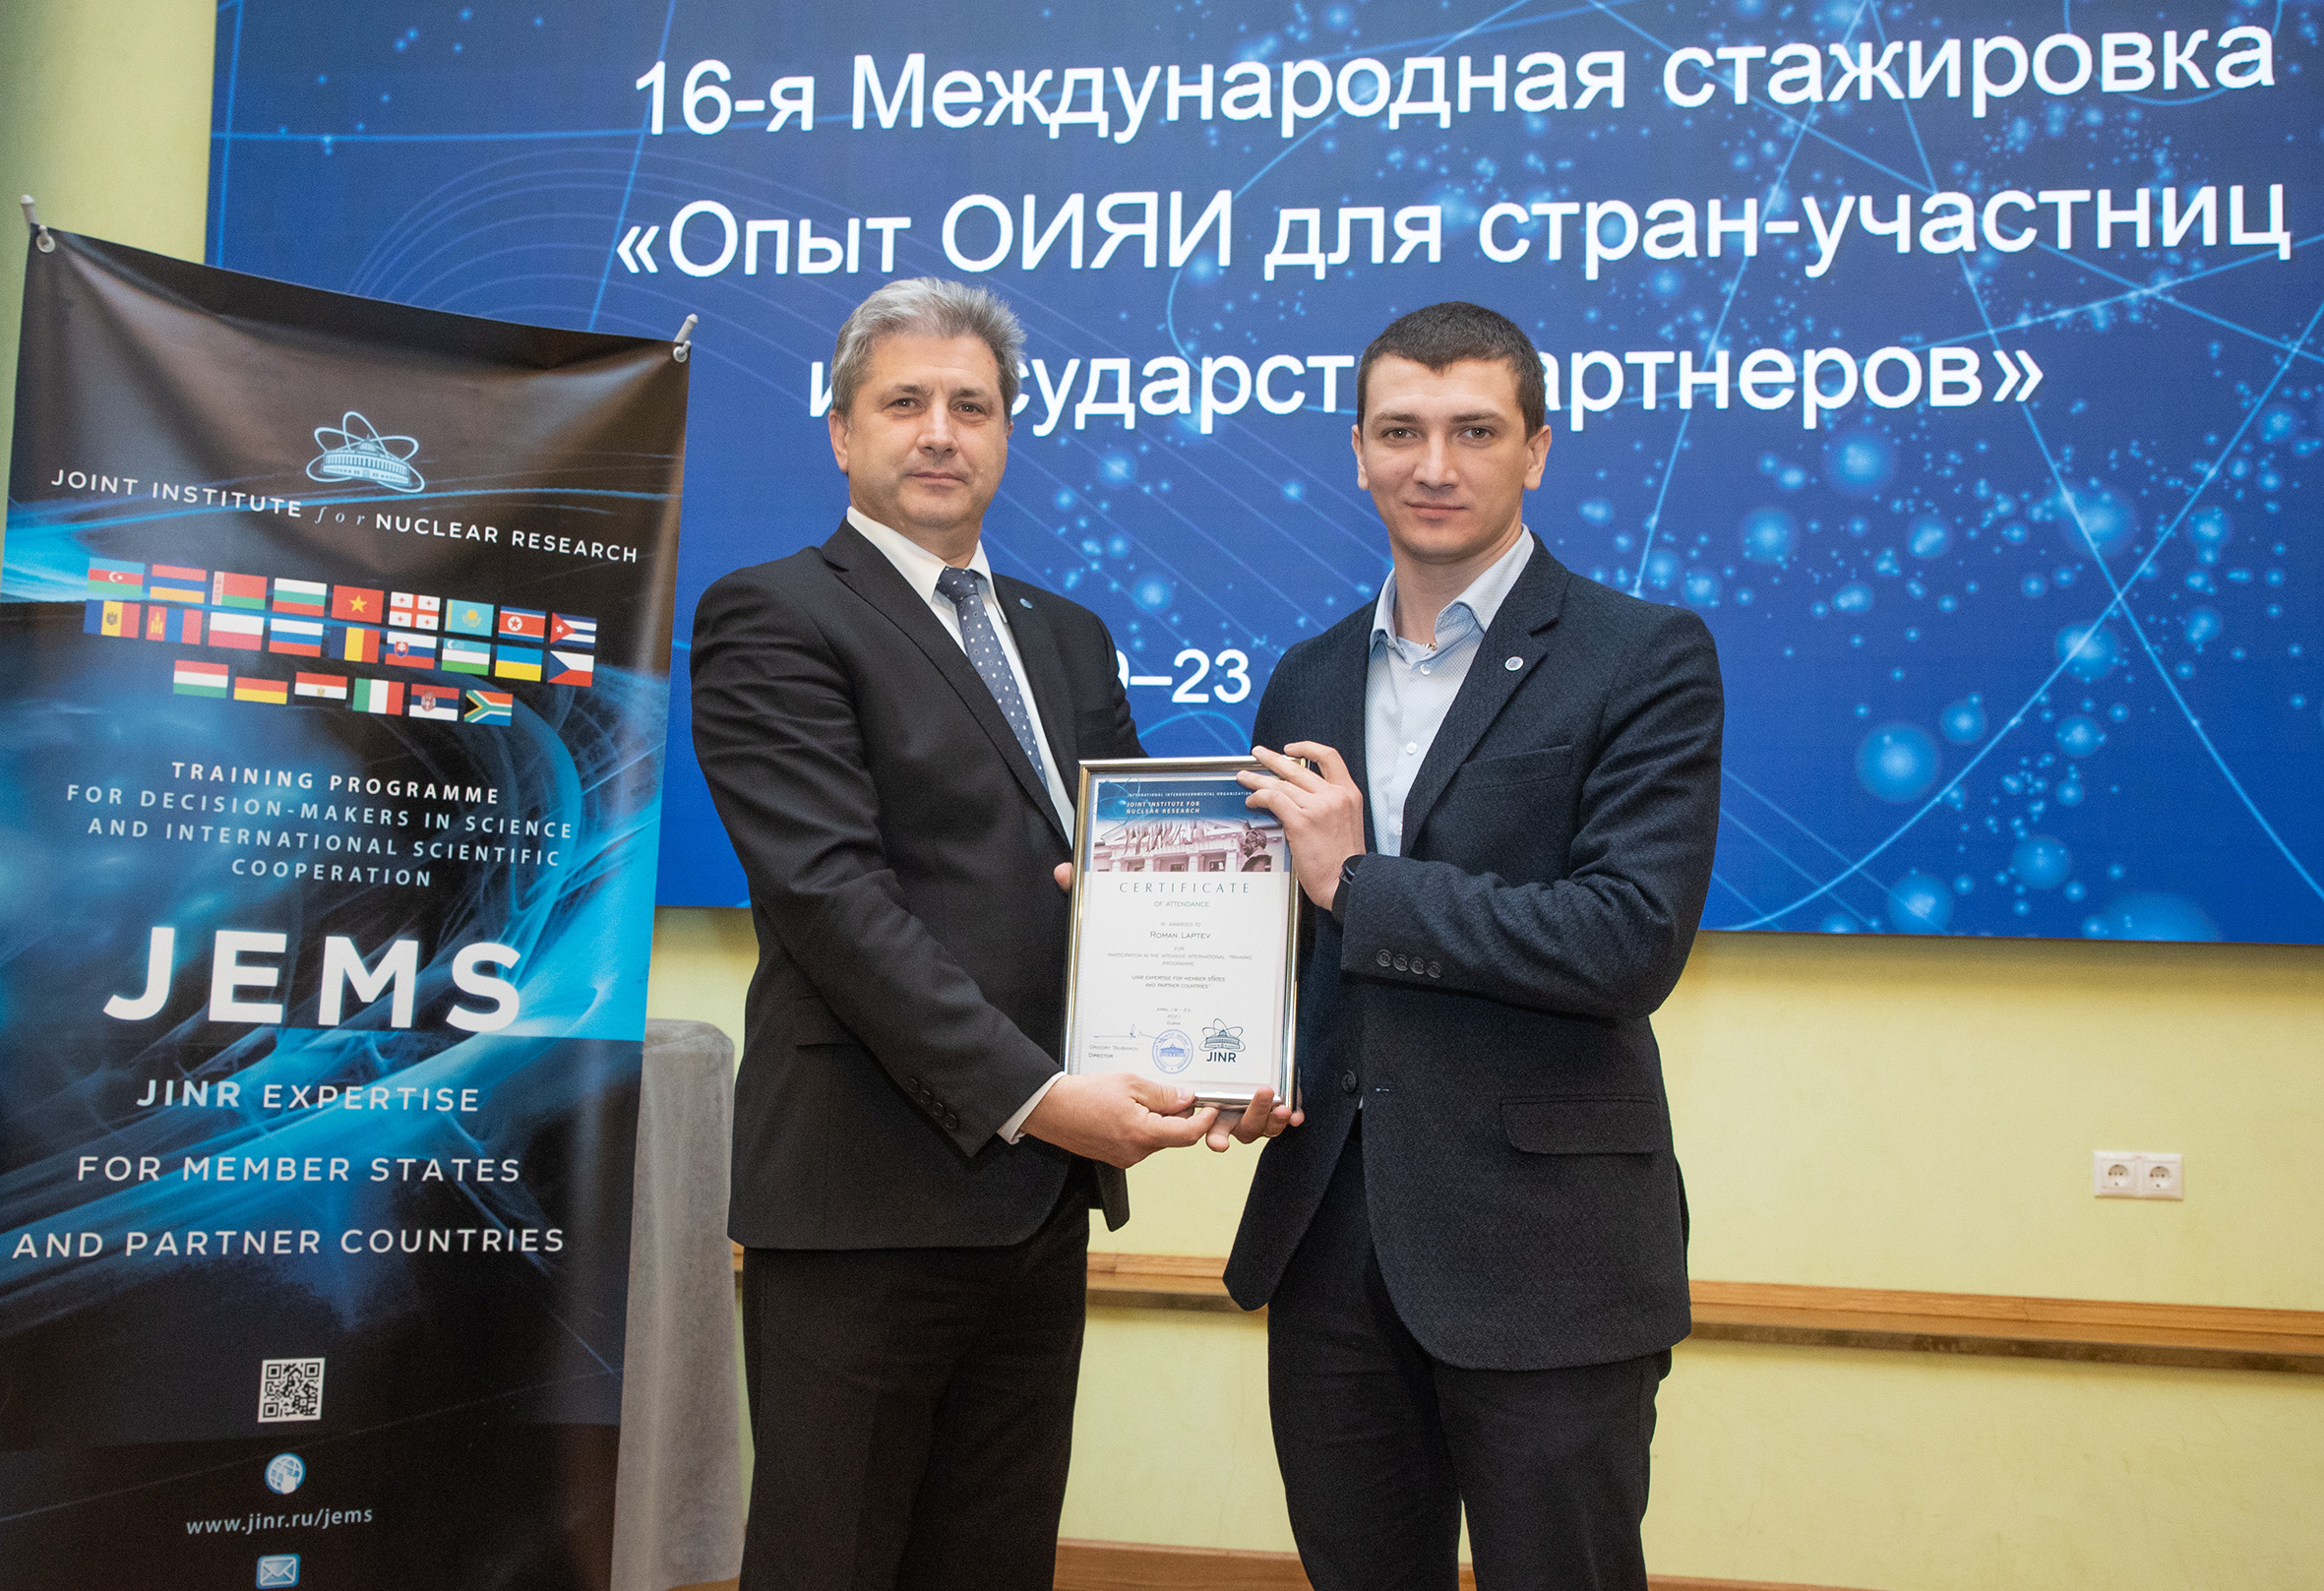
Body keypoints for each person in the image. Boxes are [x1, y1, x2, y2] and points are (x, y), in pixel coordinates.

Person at [691, 277, 1225, 1591]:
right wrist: (1038, 1097)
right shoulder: (773, 613)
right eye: (905, 403)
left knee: (993, 1561)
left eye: (972, 406)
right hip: (865, 1194)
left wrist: (1215, 1049)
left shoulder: (1067, 634)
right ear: (841, 431)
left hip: (1036, 1205)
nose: (940, 432)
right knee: (829, 1563)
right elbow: (832, 900)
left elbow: (1137, 880)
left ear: (1007, 432)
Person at [1227, 301, 1725, 1591]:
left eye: (1475, 430)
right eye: (1400, 430)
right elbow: (1297, 941)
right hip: (1332, 1239)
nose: (1433, 465)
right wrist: (1205, 1021)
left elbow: (1626, 939)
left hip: (1546, 1253)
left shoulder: (1642, 655)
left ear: (1536, 449)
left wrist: (1360, 881)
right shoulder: (1305, 676)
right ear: (1356, 451)